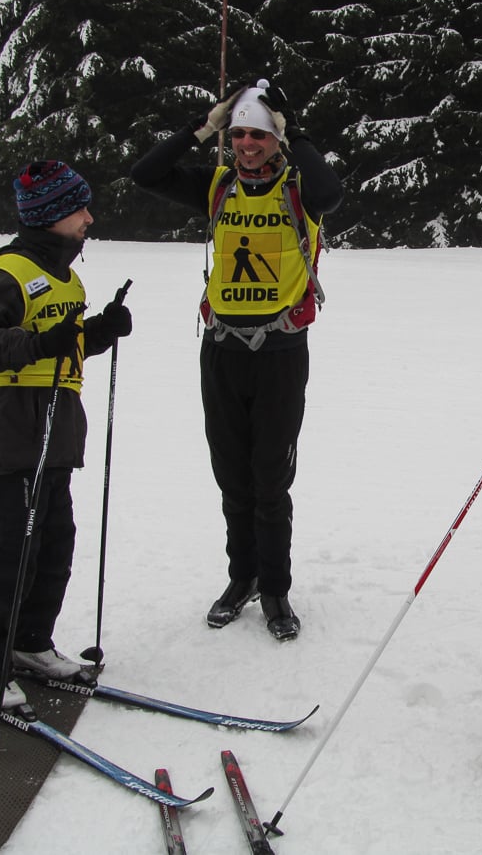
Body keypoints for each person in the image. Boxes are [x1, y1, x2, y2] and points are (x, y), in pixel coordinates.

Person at [130, 79, 343, 641]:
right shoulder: (216, 185)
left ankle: (274, 588)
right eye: (240, 134)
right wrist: (202, 128)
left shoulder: (300, 189)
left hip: (279, 353)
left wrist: (293, 130)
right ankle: (240, 578)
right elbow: (145, 175)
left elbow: (331, 191)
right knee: (231, 478)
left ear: (276, 141)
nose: (248, 144)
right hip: (221, 349)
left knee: (270, 479)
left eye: (259, 135)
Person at [0, 161, 133, 708]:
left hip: (58, 429)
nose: (89, 217)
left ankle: (32, 643)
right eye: (80, 208)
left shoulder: (66, 274)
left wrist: (98, 331)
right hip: (16, 430)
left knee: (55, 543)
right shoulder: (9, 273)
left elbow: (62, 342)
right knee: (13, 551)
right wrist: (37, 343)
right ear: (54, 215)